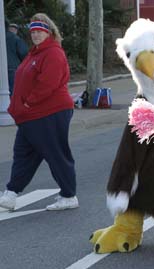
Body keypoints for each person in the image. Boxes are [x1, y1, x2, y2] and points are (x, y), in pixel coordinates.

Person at [0, 13, 78, 211]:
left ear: (48, 33)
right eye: (33, 32)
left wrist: (27, 103)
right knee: (23, 154)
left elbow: (48, 83)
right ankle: (10, 194)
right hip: (32, 116)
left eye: (39, 32)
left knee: (55, 153)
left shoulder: (53, 53)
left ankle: (69, 196)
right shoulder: (35, 53)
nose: (35, 35)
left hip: (49, 113)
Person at [5, 20, 28, 96]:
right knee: (13, 94)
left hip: (5, 69)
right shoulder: (16, 38)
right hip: (12, 69)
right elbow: (24, 53)